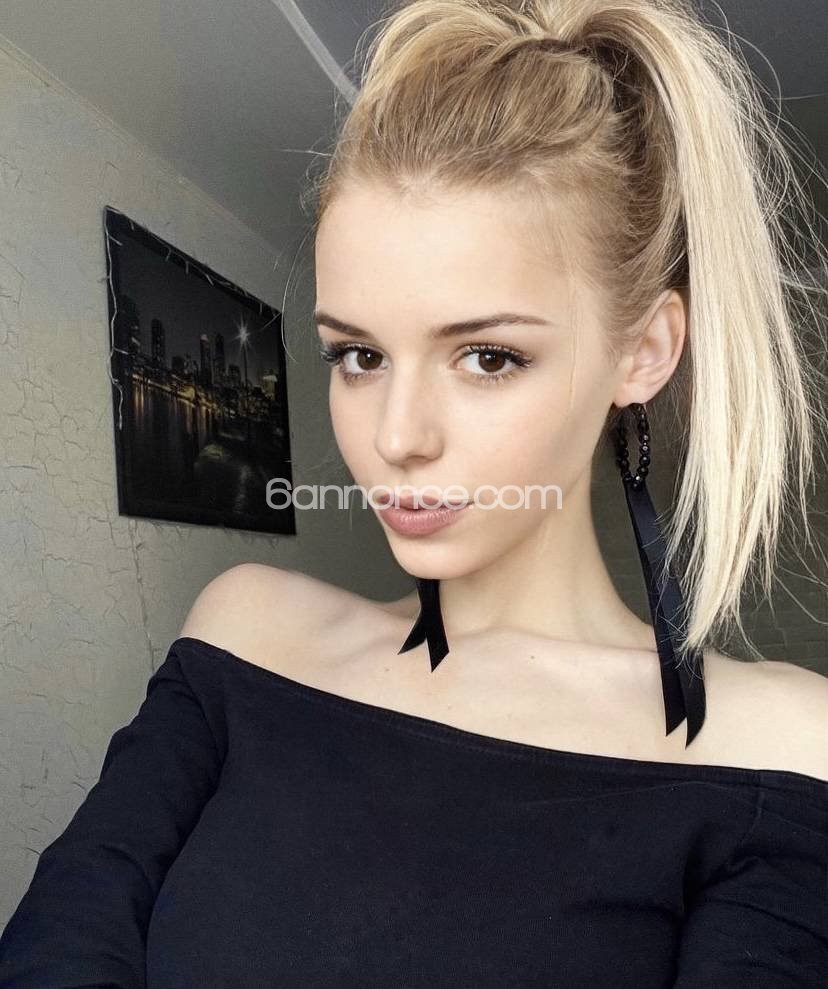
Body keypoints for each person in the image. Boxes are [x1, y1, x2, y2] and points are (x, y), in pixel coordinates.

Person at [1, 0, 827, 985]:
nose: (396, 437)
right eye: (358, 355)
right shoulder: (245, 633)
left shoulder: (777, 744)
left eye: (487, 356)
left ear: (644, 350)